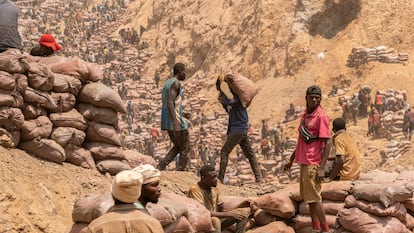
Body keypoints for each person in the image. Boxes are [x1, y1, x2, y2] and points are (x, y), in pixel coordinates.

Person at [284, 85, 332, 233]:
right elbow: (301, 140)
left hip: (313, 163)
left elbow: (328, 142)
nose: (314, 100)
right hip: (304, 162)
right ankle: (315, 227)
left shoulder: (321, 116)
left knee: (316, 198)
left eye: (317, 98)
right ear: (306, 98)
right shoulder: (305, 115)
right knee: (309, 199)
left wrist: (322, 167)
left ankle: (325, 229)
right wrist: (291, 160)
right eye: (312, 97)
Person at [216, 76, 262, 183]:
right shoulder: (228, 99)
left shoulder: (235, 97)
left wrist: (224, 89)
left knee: (224, 152)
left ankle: (220, 179)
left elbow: (231, 100)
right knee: (250, 154)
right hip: (240, 128)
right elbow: (228, 108)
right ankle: (259, 178)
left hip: (238, 129)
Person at [86, 170, 163, 233]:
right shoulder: (153, 224)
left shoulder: (97, 226)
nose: (159, 189)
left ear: (113, 193)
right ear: (137, 194)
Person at [188, 165, 250, 233]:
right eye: (212, 177)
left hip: (215, 218)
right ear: (203, 178)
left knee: (241, 214)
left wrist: (239, 207)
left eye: (216, 176)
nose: (216, 179)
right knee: (215, 220)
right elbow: (203, 213)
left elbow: (221, 208)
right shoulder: (195, 190)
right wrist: (228, 214)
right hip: (201, 220)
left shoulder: (214, 188)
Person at [157, 63, 190, 171]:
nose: (185, 73)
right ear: (180, 72)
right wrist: (176, 122)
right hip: (175, 122)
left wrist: (182, 113)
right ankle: (181, 171)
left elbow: (171, 103)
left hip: (168, 121)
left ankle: (162, 165)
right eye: (184, 71)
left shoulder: (167, 83)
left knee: (178, 146)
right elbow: (170, 103)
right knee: (185, 147)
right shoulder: (176, 84)